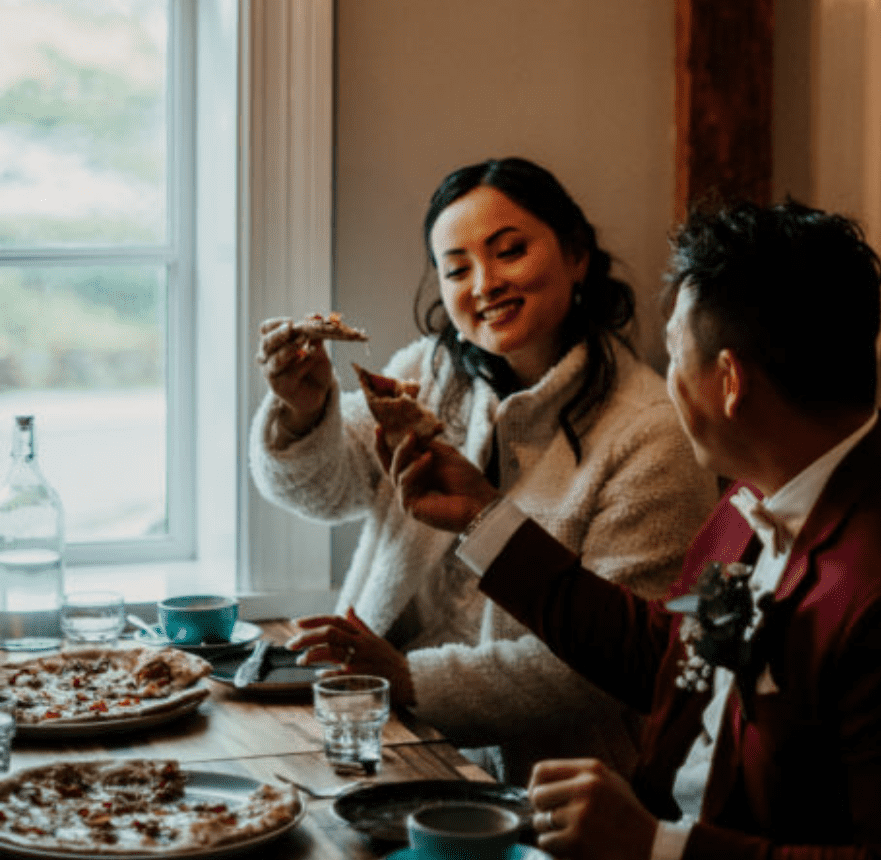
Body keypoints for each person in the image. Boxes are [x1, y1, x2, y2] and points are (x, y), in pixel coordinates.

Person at [387, 197, 881, 860]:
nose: (665, 381)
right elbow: (668, 655)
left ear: (729, 380)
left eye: (674, 355)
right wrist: (483, 519)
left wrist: (654, 852)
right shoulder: (764, 488)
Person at [249, 156, 715, 784]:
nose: (485, 284)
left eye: (510, 251)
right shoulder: (427, 376)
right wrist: (303, 411)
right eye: (457, 269)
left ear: (577, 255)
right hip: (380, 737)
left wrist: (409, 678)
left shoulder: (650, 434)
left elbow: (617, 664)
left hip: (552, 786)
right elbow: (323, 490)